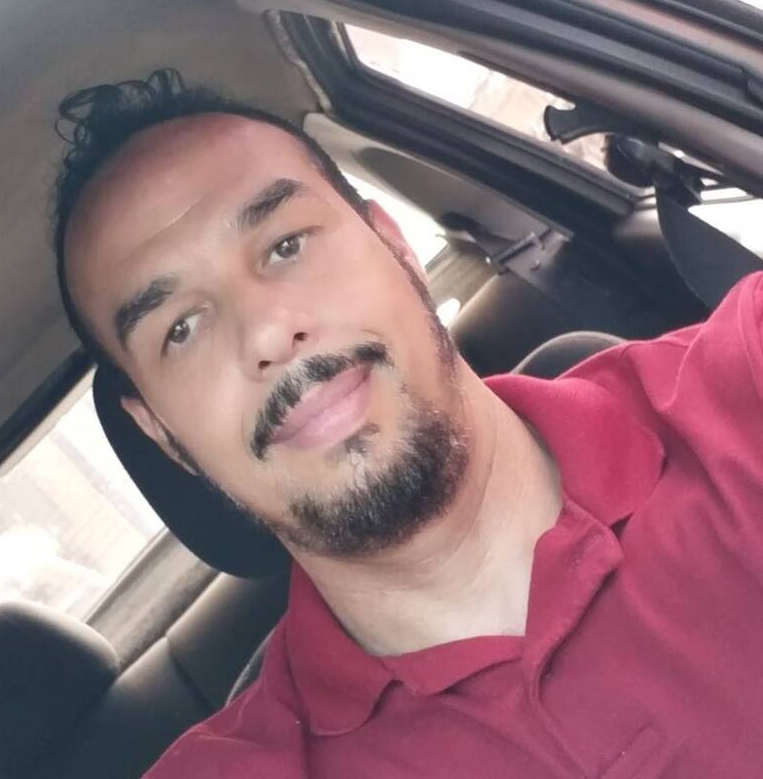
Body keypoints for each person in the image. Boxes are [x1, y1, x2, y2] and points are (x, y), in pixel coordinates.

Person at [53, 68, 763, 778]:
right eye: (180, 328)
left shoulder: (742, 383)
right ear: (163, 435)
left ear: (396, 248)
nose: (265, 332)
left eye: (286, 245)